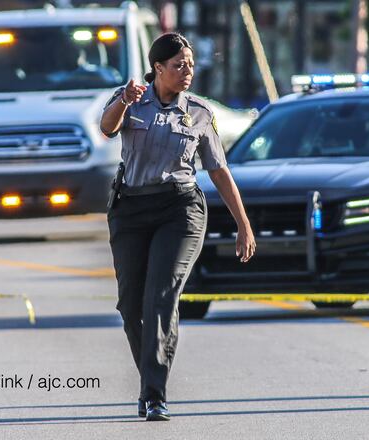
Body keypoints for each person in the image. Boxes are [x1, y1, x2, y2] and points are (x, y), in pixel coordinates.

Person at [99, 33, 256, 422]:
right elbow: (106, 127)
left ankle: (155, 394)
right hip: (131, 209)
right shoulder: (131, 98)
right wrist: (123, 100)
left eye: (190, 64)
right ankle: (149, 381)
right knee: (130, 304)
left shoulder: (200, 112)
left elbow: (218, 169)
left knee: (160, 297)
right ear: (158, 69)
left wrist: (243, 224)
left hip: (180, 208)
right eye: (178, 65)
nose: (187, 71)